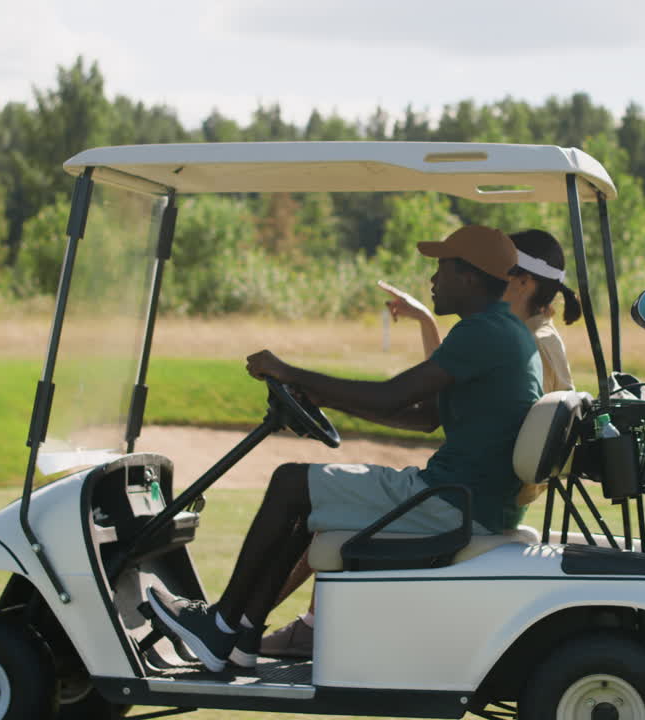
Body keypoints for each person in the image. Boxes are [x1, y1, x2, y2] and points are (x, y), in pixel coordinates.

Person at [146, 225, 543, 673]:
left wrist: (289, 372)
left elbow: (393, 396)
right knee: (305, 494)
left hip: (452, 502)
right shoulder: (504, 331)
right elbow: (425, 415)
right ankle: (242, 638)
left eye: (442, 269)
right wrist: (321, 396)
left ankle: (220, 623)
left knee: (290, 481)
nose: (433, 280)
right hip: (467, 499)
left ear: (470, 277)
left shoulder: (483, 332)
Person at [257, 228, 581, 660]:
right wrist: (326, 394)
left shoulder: (524, 340)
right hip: (479, 492)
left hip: (469, 499)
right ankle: (253, 623)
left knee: (306, 490)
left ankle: (251, 625)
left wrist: (296, 375)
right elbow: (443, 398)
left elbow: (428, 392)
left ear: (518, 281)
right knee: (328, 498)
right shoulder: (519, 334)